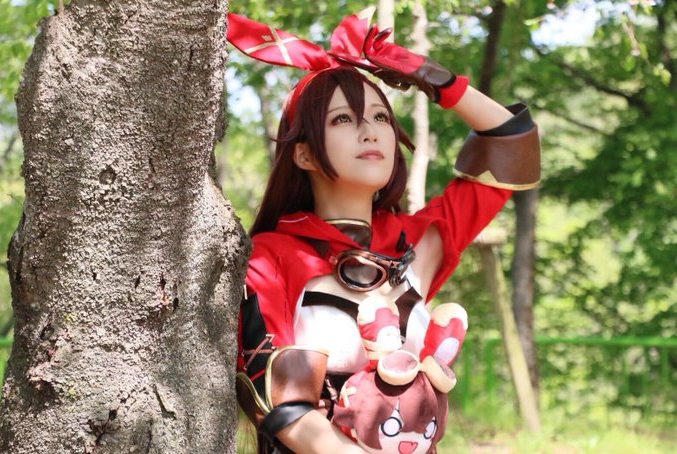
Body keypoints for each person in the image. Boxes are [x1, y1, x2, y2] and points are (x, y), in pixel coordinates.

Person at [229, 9, 540, 454]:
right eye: (343, 119)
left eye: (380, 117)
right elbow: (278, 404)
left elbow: (514, 141)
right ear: (303, 154)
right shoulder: (271, 255)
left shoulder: (416, 239)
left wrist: (433, 79)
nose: (370, 132)